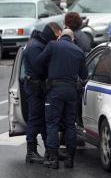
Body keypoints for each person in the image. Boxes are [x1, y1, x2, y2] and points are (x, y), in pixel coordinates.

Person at [36, 29, 88, 169]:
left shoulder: (53, 45)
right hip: (71, 92)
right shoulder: (78, 51)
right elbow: (84, 75)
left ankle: (53, 159)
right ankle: (70, 159)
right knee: (70, 124)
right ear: (72, 39)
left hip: (55, 91)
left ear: (60, 37)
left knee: (52, 124)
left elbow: (38, 62)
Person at [23, 22, 62, 164]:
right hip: (35, 87)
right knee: (35, 118)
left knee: (45, 118)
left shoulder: (38, 43)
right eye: (55, 36)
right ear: (51, 34)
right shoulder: (35, 46)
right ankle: (31, 152)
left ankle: (49, 151)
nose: (56, 40)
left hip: (38, 86)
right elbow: (39, 68)